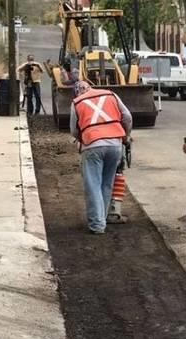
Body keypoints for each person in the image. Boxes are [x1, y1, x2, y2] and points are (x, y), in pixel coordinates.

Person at [70, 81, 132, 234]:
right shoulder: (110, 94)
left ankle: (97, 225)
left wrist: (81, 140)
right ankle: (102, 218)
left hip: (92, 145)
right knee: (106, 183)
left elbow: (73, 129)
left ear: (77, 92)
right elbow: (127, 117)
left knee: (93, 185)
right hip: (115, 145)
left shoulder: (77, 102)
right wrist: (126, 136)